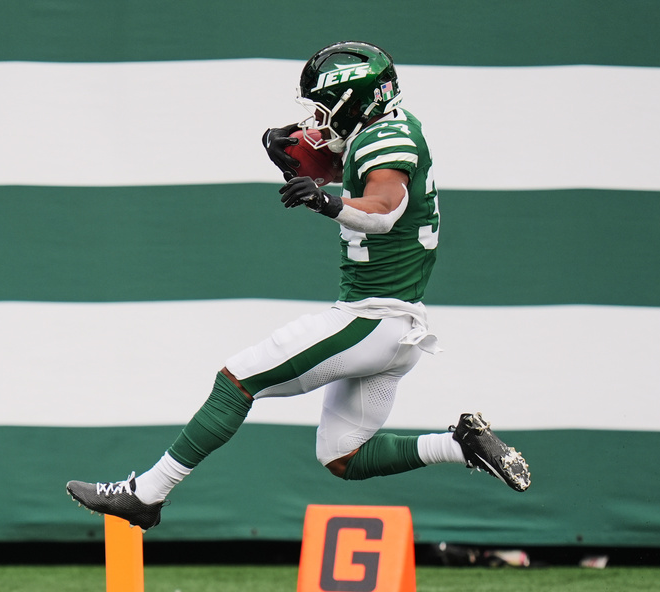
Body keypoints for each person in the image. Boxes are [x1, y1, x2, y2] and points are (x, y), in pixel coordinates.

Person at [66, 41, 530, 530]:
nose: (318, 117)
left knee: (237, 380)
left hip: (371, 319)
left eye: (324, 106)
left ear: (354, 100)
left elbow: (384, 210)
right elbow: (342, 169)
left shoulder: (386, 141)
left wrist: (327, 202)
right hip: (399, 327)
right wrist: (292, 158)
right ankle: (459, 444)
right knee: (342, 456)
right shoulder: (386, 130)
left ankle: (147, 494)